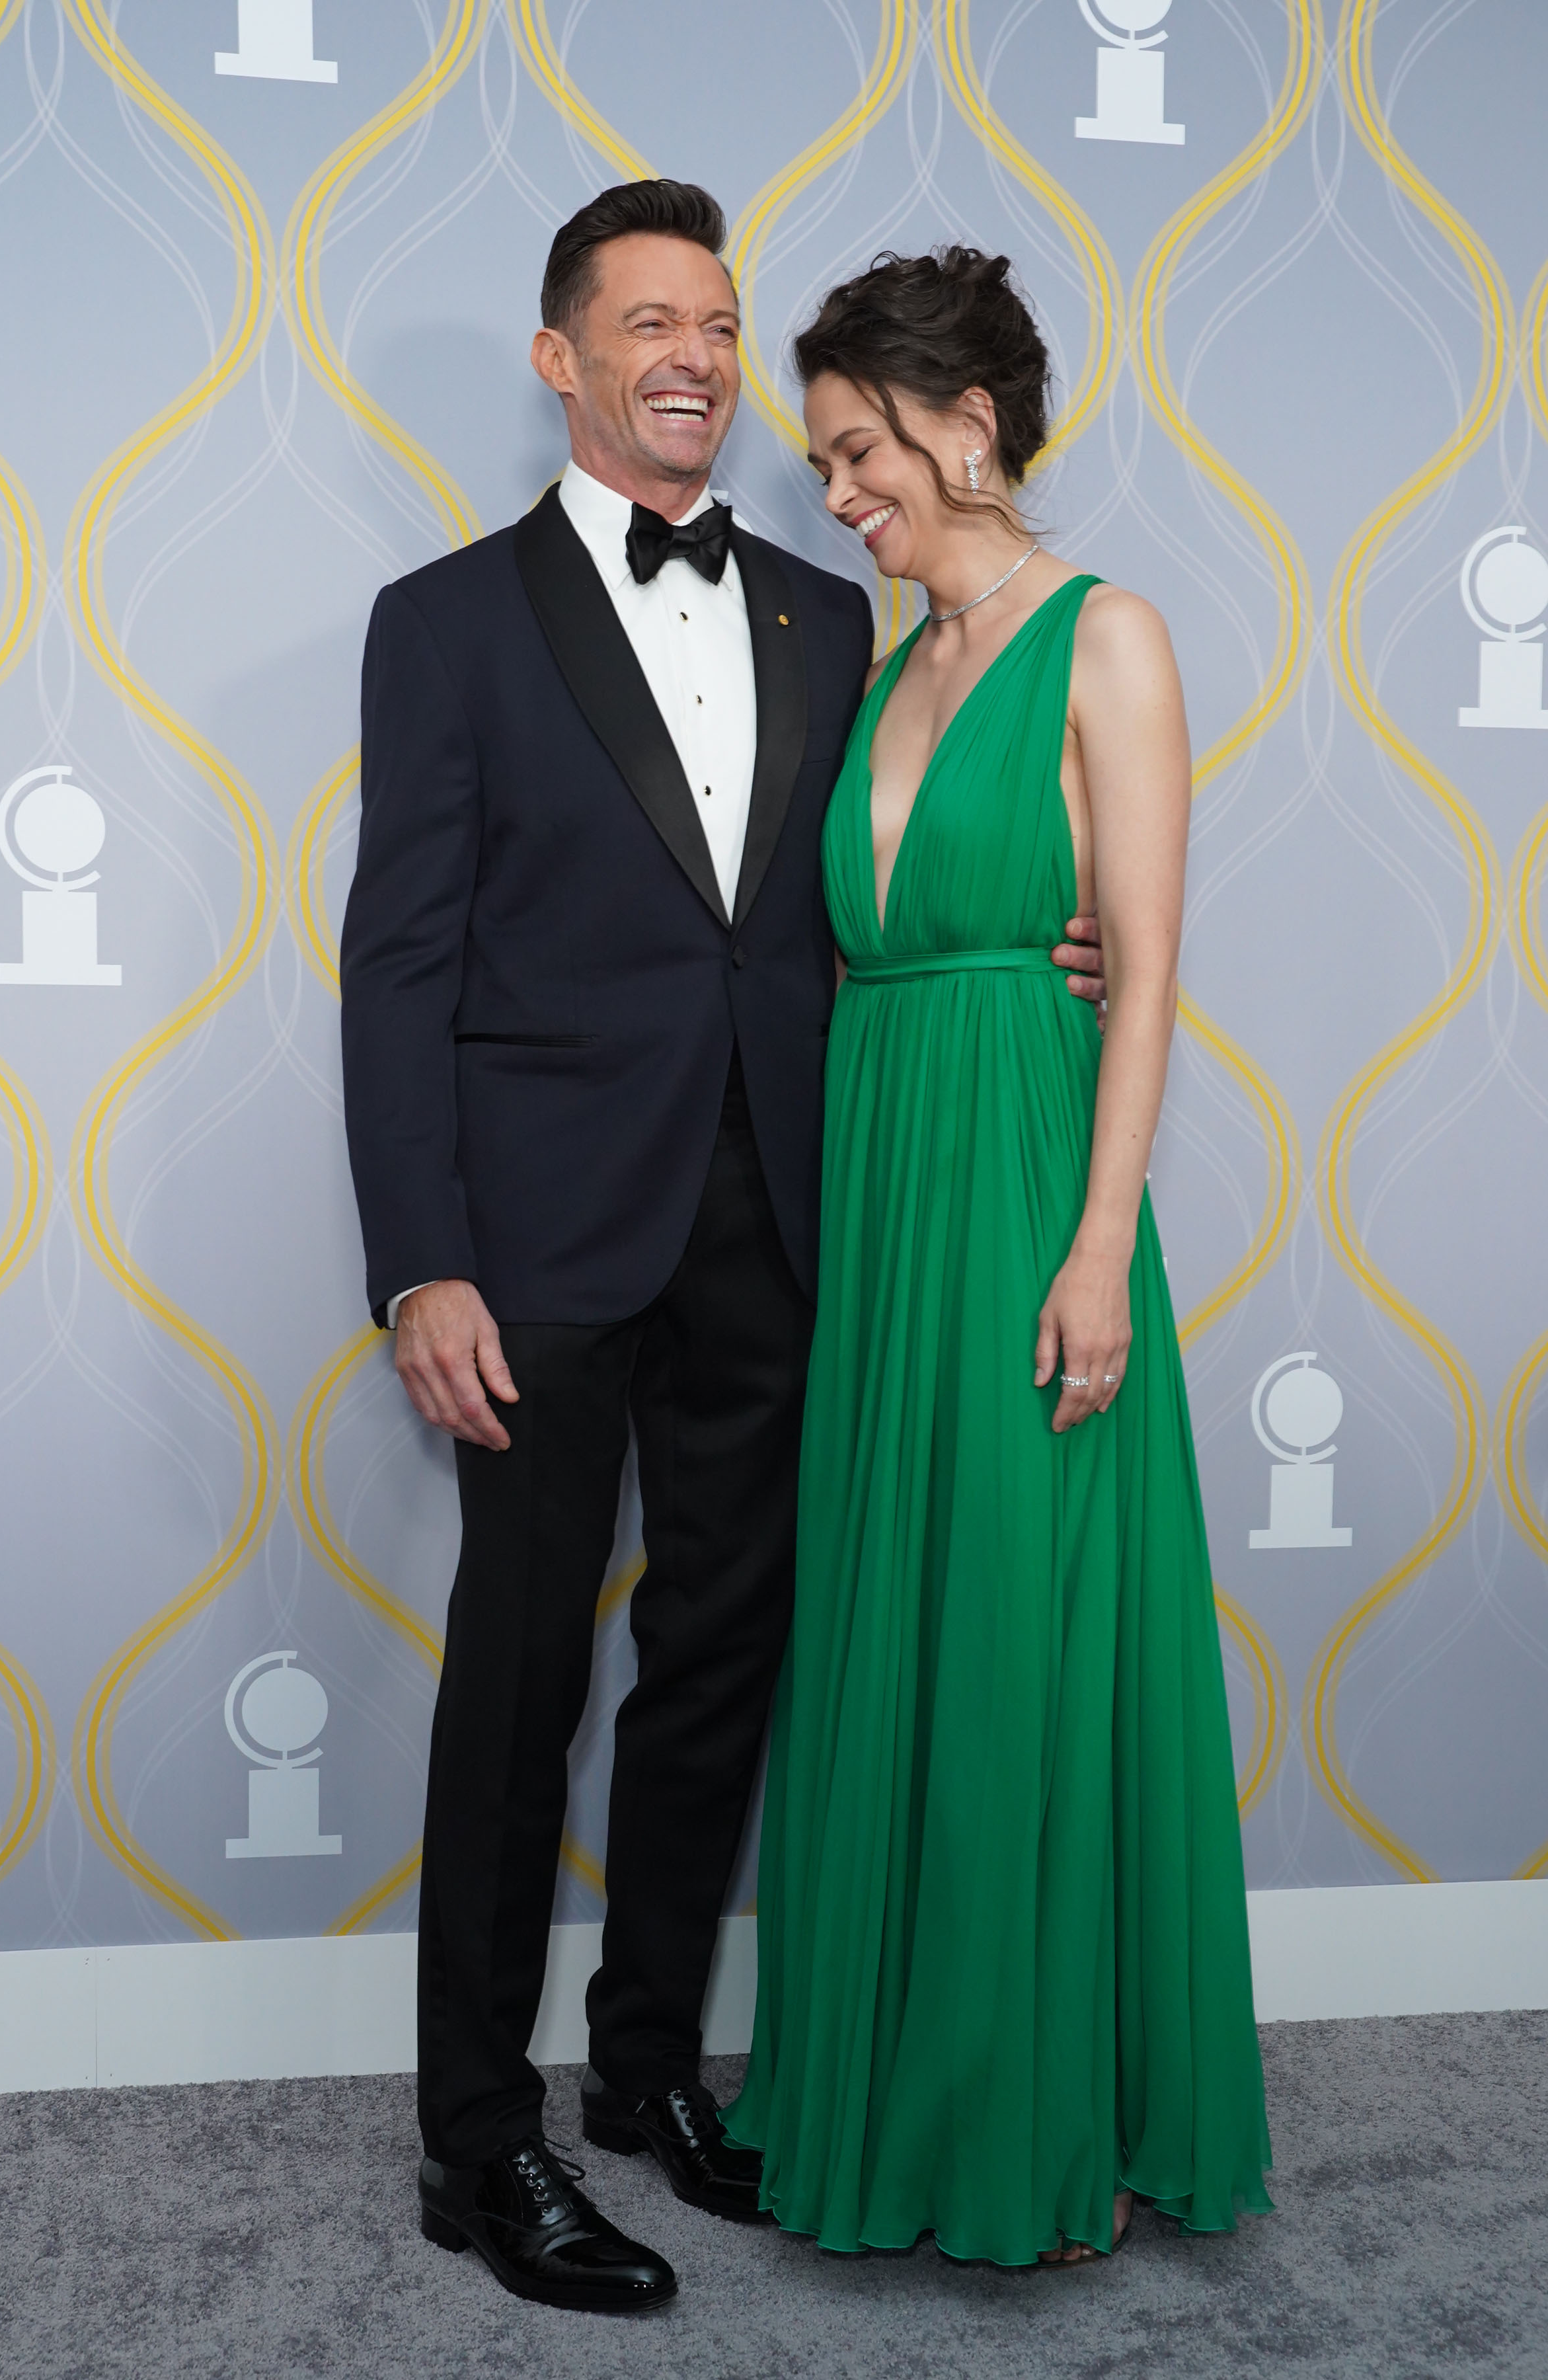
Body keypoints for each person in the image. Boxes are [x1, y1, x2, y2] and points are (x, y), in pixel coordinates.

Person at [340, 186, 1106, 2314]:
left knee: (720, 1658)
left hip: (788, 1210)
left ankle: (649, 2069)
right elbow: (395, 963)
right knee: (519, 1680)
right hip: (542, 1239)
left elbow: (904, 863)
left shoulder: (827, 609)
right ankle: (477, 2146)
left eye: (718, 319)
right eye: (646, 318)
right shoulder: (449, 622)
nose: (691, 351)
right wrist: (423, 1262)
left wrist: (1057, 928)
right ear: (560, 359)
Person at [725, 247, 1273, 2266]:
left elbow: (1140, 977)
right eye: (826, 458)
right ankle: (889, 2085)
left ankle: (1039, 2110)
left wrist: (1100, 1246)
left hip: (1027, 1177)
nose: (841, 491)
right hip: (883, 1180)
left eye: (862, 451)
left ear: (969, 428)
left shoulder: (1102, 639)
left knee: (1020, 1632)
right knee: (899, 1615)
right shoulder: (887, 670)